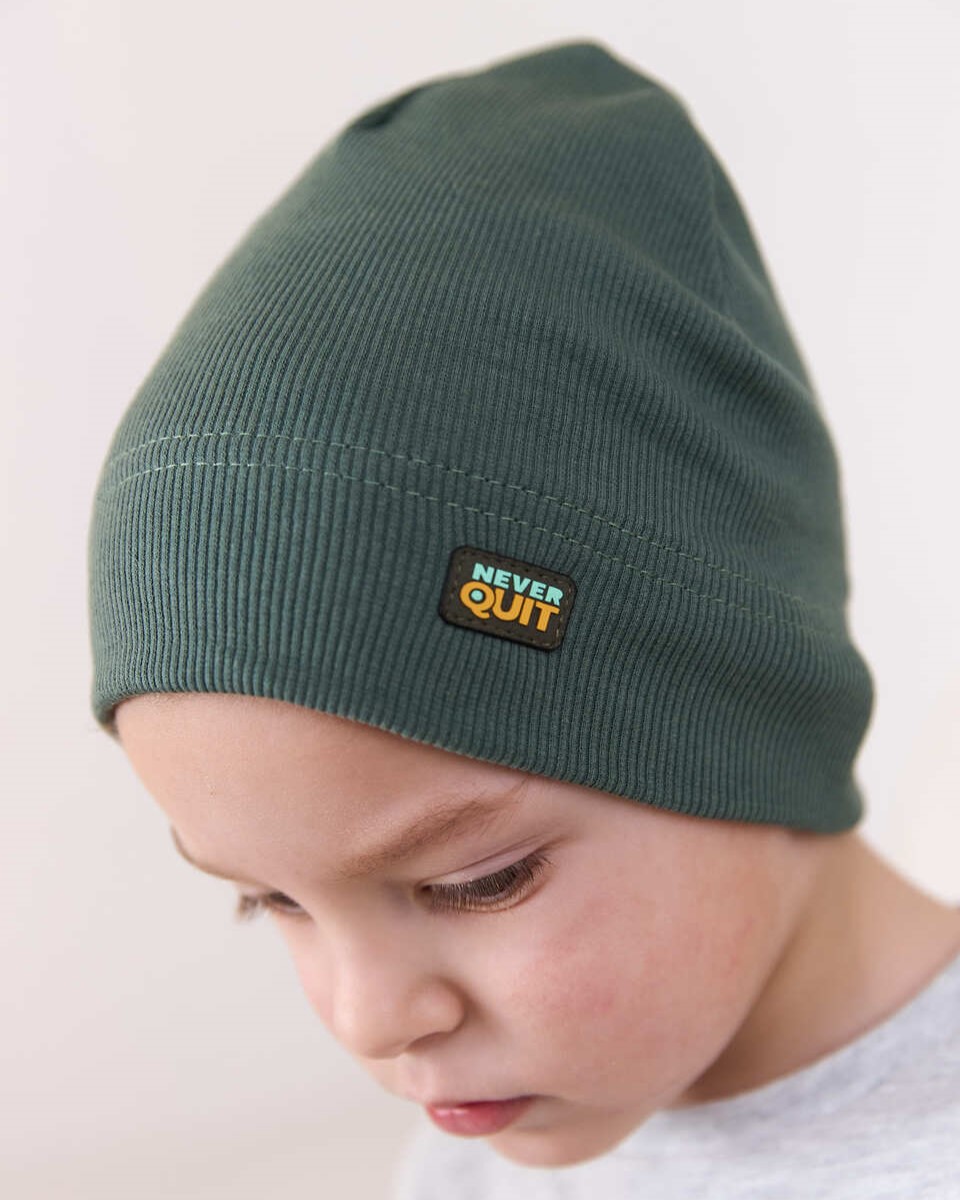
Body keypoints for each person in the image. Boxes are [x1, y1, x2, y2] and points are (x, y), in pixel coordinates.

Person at [87, 38, 960, 1198]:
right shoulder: (468, 1156)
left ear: (747, 713)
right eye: (274, 900)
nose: (370, 1018)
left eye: (478, 883)